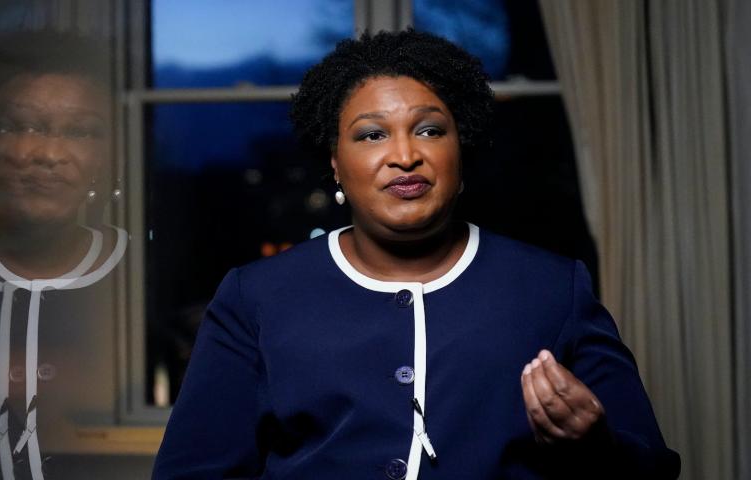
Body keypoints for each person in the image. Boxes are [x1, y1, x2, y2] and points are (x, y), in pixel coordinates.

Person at [152, 30, 679, 479]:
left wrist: (596, 447)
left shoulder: (550, 288)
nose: (405, 156)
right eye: (372, 135)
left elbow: (652, 467)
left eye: (429, 129)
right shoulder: (257, 297)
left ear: (460, 148)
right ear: (335, 162)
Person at [0, 30, 126, 480]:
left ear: (110, 155)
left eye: (80, 131)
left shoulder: (142, 280)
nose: (43, 154)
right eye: (9, 126)